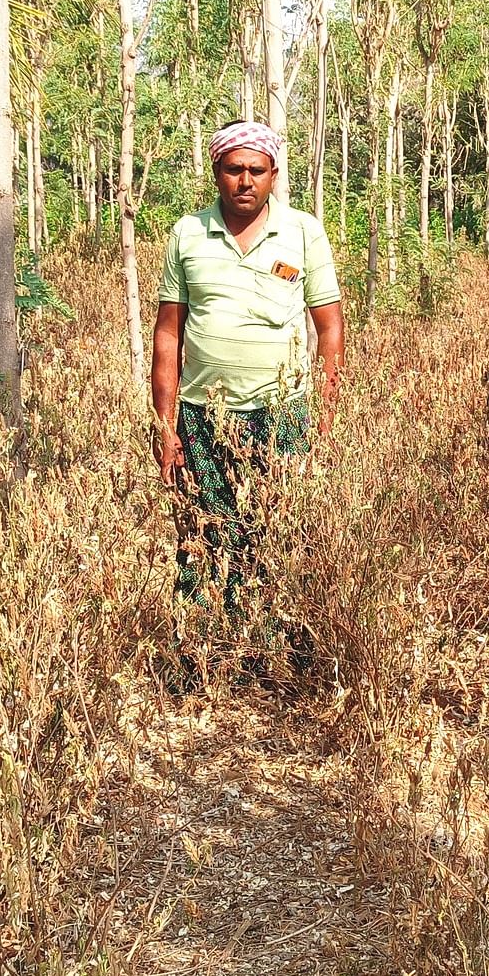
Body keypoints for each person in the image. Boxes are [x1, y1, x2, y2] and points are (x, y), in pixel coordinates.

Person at [152, 120, 345, 625]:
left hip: (280, 414)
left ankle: (275, 642)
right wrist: (165, 424)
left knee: (278, 530)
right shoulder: (187, 234)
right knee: (203, 529)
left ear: (273, 174)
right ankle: (199, 646)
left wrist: (324, 414)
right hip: (201, 416)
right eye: (234, 169)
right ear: (216, 171)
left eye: (256, 170)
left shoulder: (303, 231)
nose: (245, 181)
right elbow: (168, 334)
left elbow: (329, 329)